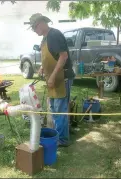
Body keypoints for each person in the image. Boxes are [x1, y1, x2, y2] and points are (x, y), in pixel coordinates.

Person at [28, 13, 75, 147]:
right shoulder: (45, 39)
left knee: (60, 110)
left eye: (35, 27)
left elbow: (63, 56)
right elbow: (50, 56)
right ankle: (60, 135)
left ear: (42, 23)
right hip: (53, 78)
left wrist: (53, 76)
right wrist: (43, 67)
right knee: (55, 109)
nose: (34, 30)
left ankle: (63, 139)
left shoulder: (54, 35)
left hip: (62, 78)